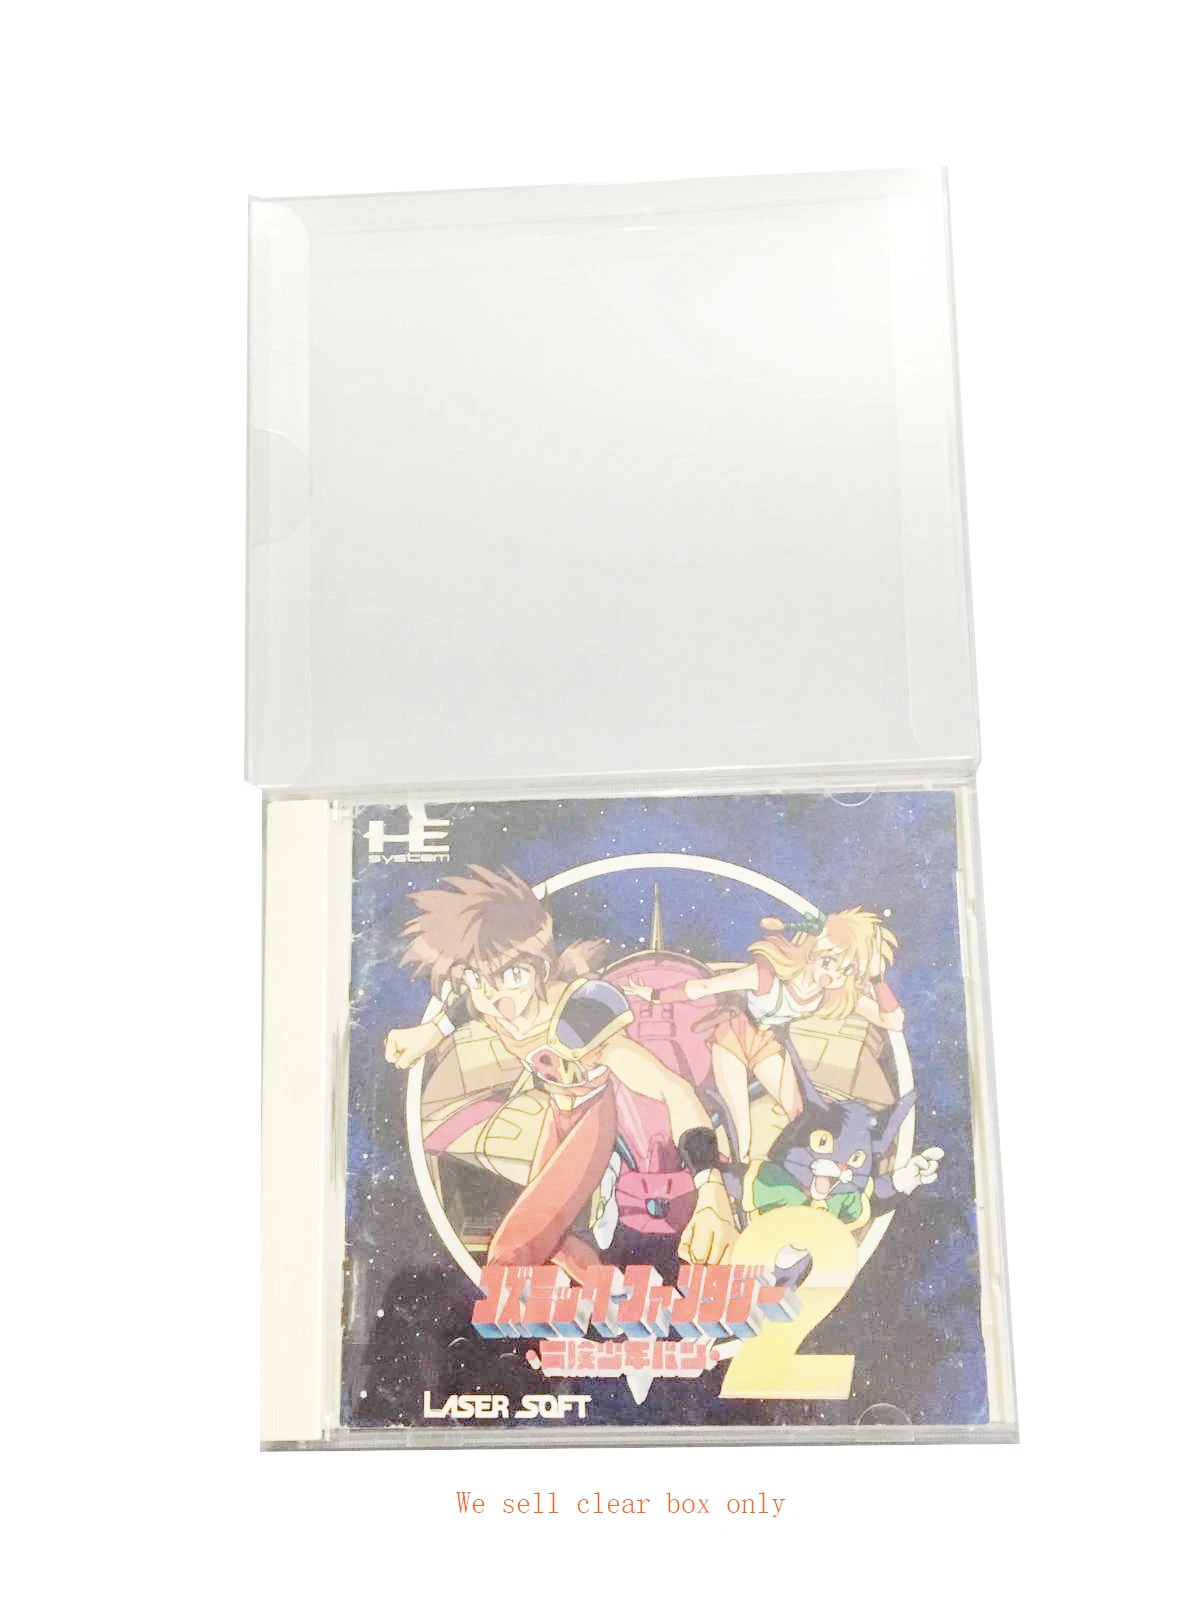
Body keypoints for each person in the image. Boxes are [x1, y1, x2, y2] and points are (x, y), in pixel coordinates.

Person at [384, 865, 738, 1282]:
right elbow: (469, 1003)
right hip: (558, 1115)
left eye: (511, 976)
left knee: (515, 1246)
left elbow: (671, 1088)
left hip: (595, 1117)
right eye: (478, 979)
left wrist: (711, 1188)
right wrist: (430, 1031)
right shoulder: (486, 998)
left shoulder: (579, 1016)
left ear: (539, 968)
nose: (495, 997)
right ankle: (612, 1289)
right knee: (555, 1238)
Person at [624, 907, 904, 1162]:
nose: (834, 976)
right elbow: (704, 988)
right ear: (815, 949)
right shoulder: (766, 976)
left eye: (847, 970)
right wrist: (654, 995)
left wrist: (877, 979)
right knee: (740, 1124)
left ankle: (798, 1168)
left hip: (767, 1042)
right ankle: (735, 1174)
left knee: (797, 1114)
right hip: (733, 1034)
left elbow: (892, 1021)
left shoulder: (830, 995)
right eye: (830, 962)